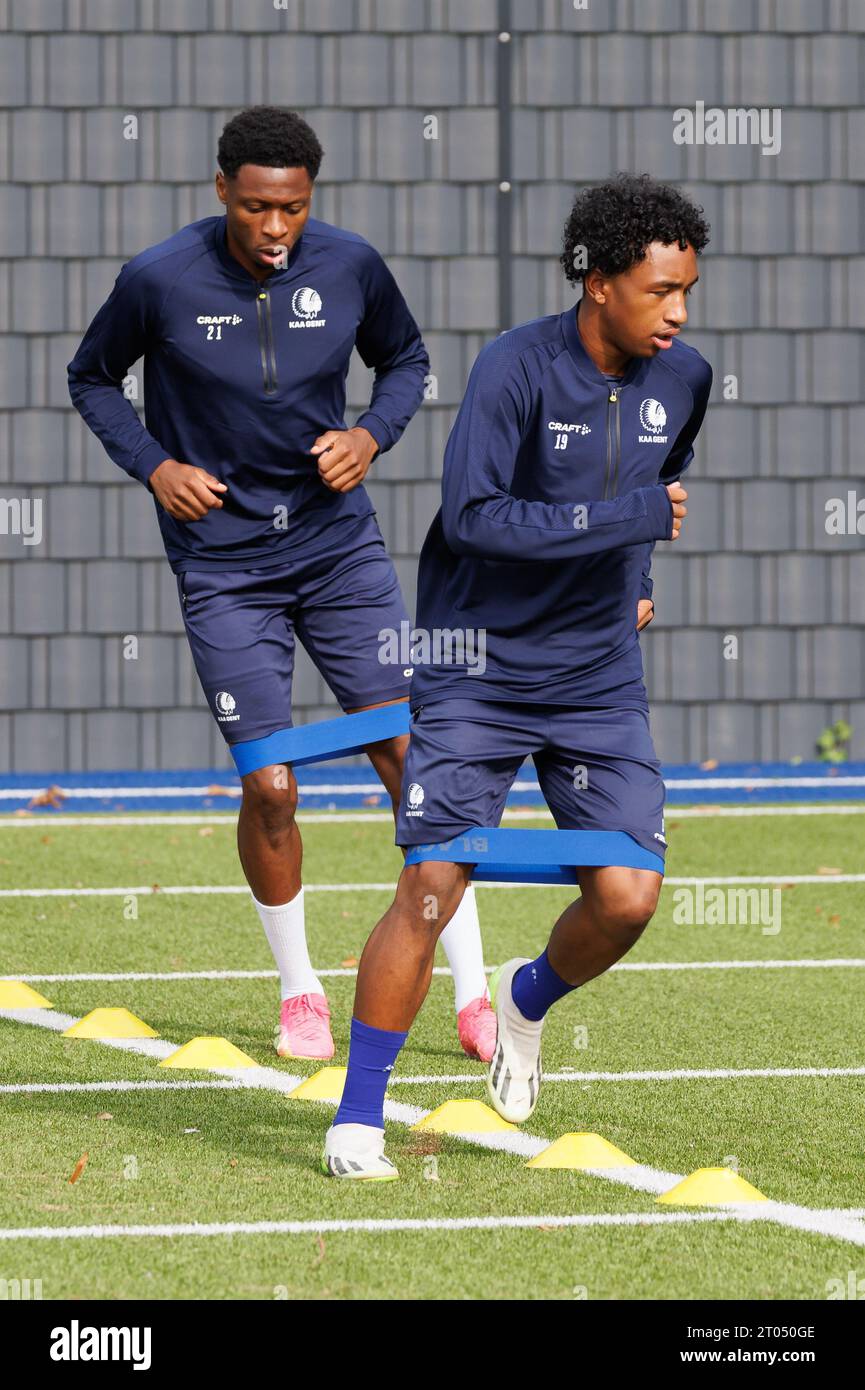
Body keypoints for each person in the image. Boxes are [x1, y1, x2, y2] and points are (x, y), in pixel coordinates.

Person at [67, 105, 496, 1065]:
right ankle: (300, 990)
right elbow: (92, 378)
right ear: (222, 189)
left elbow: (409, 362)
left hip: (338, 552)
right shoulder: (157, 279)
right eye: (257, 207)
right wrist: (153, 466)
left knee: (411, 763)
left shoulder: (349, 265)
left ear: (311, 199)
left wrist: (369, 434)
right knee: (270, 786)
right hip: (224, 567)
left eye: (292, 209)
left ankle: (474, 991)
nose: (275, 230)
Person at [322, 173, 713, 1180]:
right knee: (431, 882)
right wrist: (626, 528)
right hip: (474, 663)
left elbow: (649, 490)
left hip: (595, 673)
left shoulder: (687, 375)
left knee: (627, 898)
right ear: (598, 284)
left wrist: (635, 575)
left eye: (686, 292)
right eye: (658, 291)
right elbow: (475, 519)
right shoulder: (513, 370)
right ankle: (357, 1120)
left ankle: (525, 998)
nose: (676, 312)